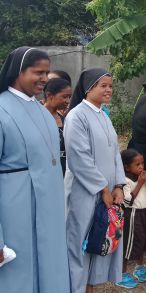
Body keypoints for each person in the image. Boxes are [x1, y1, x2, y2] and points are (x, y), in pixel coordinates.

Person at [0, 47, 70, 292]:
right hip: (15, 211)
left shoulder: (41, 110)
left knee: (49, 270)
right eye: (37, 72)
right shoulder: (1, 109)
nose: (44, 78)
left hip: (48, 208)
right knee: (19, 274)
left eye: (47, 72)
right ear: (18, 71)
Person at [64, 68, 126, 293]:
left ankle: (91, 288)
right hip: (84, 192)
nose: (108, 89)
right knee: (80, 242)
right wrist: (102, 188)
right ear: (89, 87)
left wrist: (118, 185)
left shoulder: (104, 115)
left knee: (99, 240)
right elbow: (79, 157)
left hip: (108, 192)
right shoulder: (76, 115)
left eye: (110, 85)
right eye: (103, 86)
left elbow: (115, 154)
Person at [116, 149, 146, 289]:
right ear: (126, 167)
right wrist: (141, 183)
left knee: (142, 241)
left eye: (142, 163)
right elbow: (128, 201)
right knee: (128, 245)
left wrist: (144, 182)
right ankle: (122, 274)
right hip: (133, 215)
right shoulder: (125, 181)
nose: (141, 166)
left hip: (144, 213)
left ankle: (139, 267)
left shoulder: (140, 177)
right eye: (137, 164)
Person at [43, 78, 72, 175]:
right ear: (49, 95)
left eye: (69, 97)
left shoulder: (65, 119)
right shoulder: (37, 117)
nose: (68, 101)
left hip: (63, 171)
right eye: (64, 97)